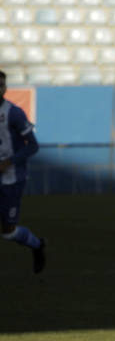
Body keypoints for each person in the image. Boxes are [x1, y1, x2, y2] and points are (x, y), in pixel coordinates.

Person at [0, 70, 46, 273]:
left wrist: (10, 161)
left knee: (8, 231)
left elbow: (33, 145)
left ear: (5, 89)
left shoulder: (14, 113)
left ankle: (37, 245)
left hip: (11, 179)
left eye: (1, 85)